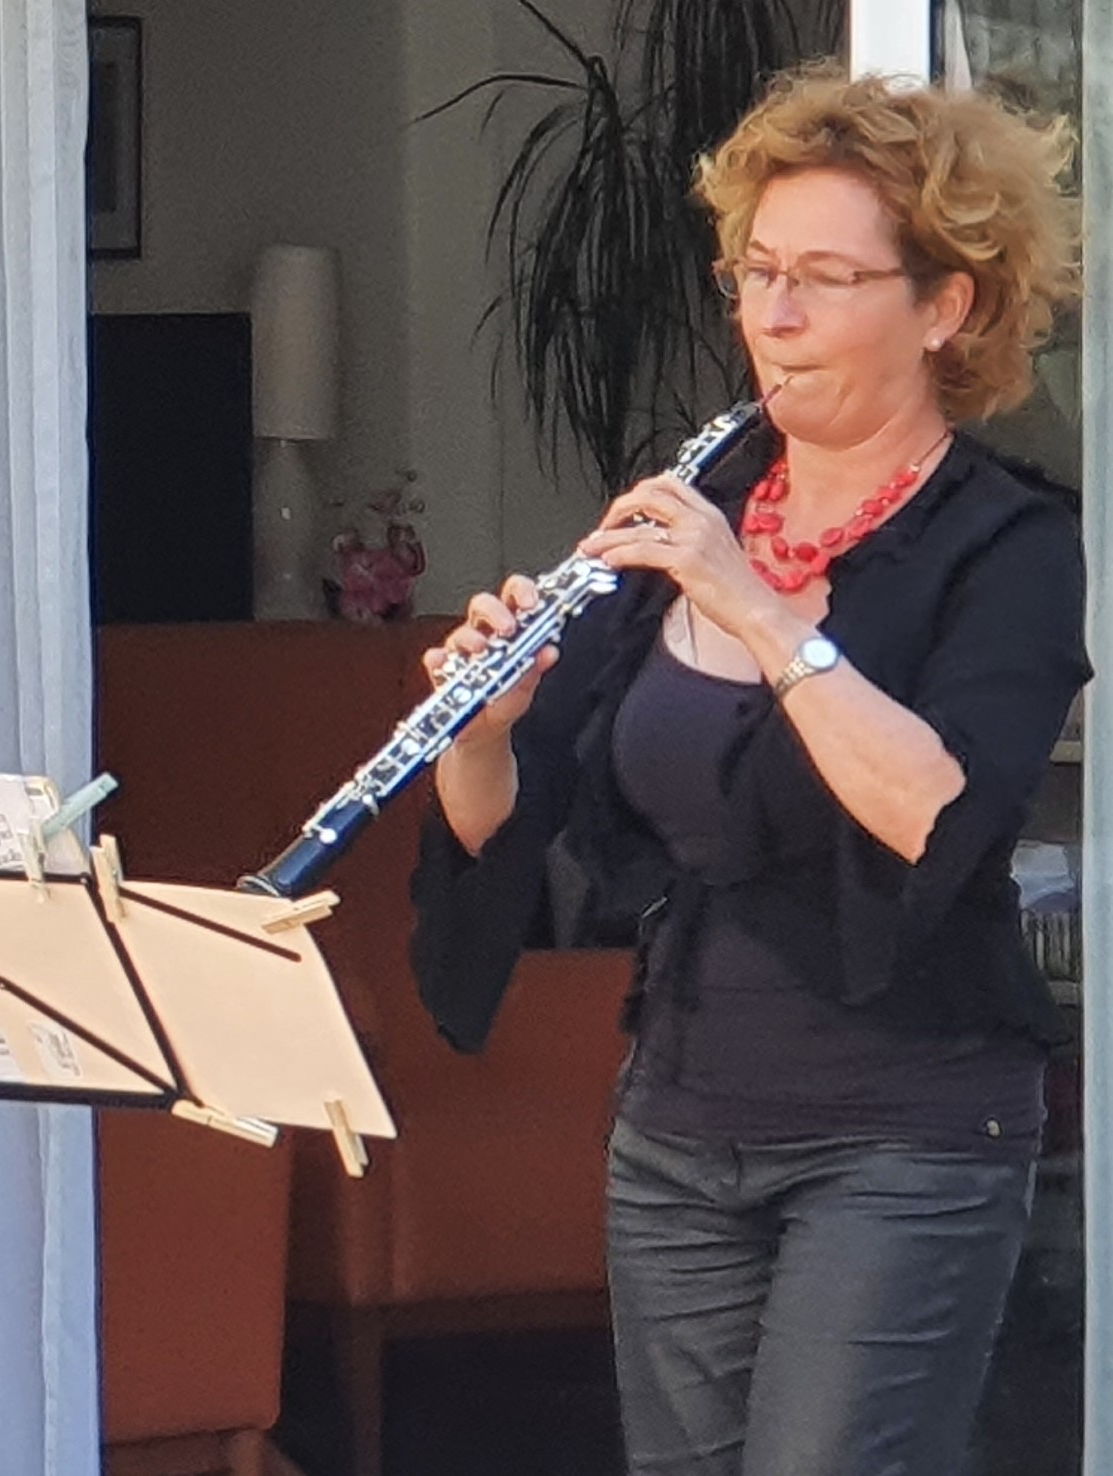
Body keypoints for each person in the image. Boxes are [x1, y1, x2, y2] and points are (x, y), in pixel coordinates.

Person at [409, 65, 1087, 1476]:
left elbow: (940, 812)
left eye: (826, 279)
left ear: (943, 306)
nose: (771, 318)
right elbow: (515, 828)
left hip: (903, 1132)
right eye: (758, 271)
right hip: (677, 1124)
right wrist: (481, 727)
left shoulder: (1008, 545)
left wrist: (764, 614)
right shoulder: (695, 514)